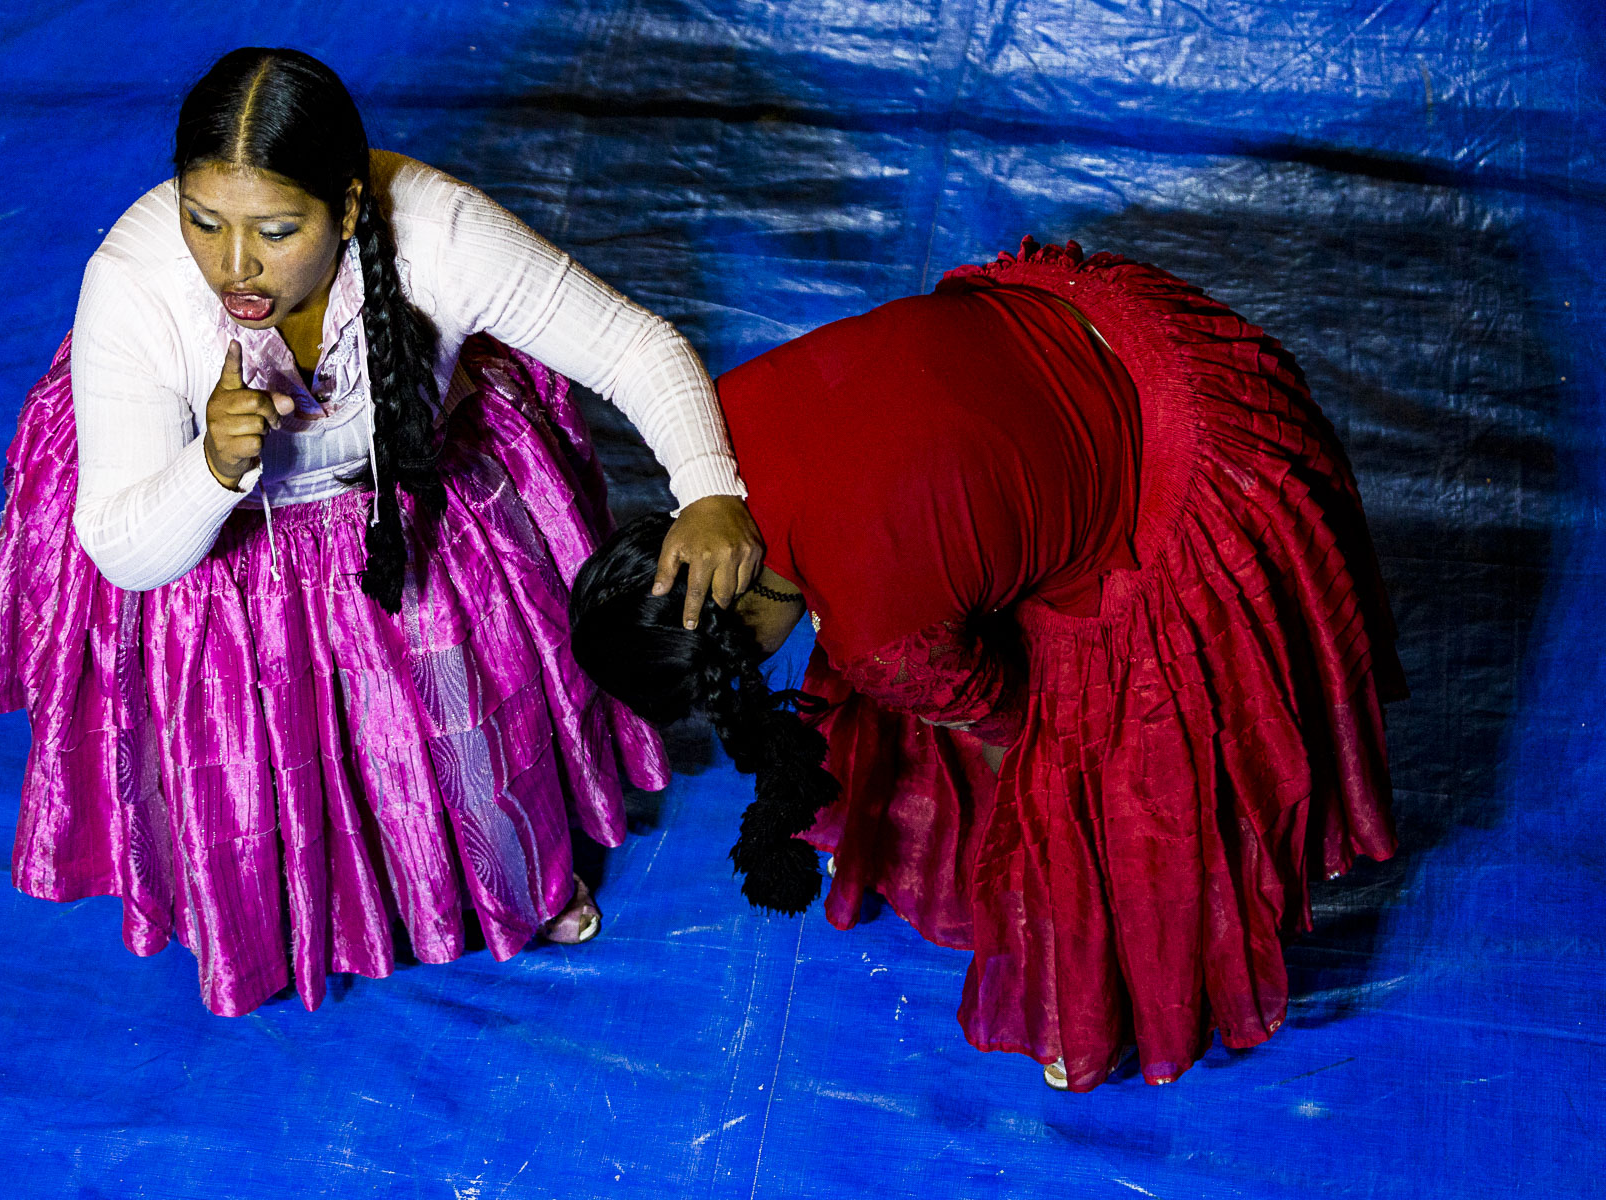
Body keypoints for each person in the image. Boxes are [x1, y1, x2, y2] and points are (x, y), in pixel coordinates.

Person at [0, 47, 764, 1018]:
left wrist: (710, 488)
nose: (233, 266)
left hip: (407, 501)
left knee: (474, 711)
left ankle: (509, 881)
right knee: (255, 769)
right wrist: (212, 470)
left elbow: (635, 346)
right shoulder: (136, 281)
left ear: (347, 212)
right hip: (212, 550)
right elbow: (126, 551)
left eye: (275, 231)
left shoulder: (438, 229)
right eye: (203, 221)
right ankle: (281, 917)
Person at [569, 237, 1405, 1092]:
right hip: (1136, 333)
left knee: (1090, 772)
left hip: (1206, 478)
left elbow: (1026, 732)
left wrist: (1062, 857)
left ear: (741, 634)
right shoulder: (717, 421)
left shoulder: (878, 642)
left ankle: (1117, 998)